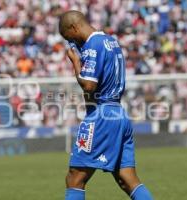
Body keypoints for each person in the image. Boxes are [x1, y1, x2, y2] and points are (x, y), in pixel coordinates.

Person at [59, 11, 153, 200]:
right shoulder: (111, 41)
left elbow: (89, 85)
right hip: (119, 114)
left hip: (101, 115)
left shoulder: (93, 45)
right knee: (127, 178)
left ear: (74, 28)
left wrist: (76, 62)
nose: (72, 44)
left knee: (75, 179)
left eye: (69, 38)